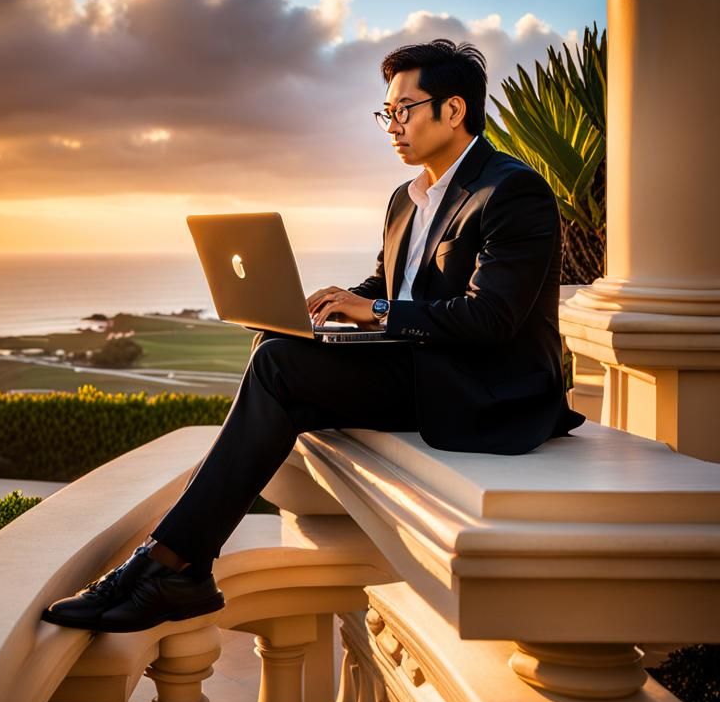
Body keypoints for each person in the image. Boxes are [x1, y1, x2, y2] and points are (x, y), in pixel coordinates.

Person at [42, 38, 586, 634]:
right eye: (387, 113)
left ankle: (172, 562)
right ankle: (178, 565)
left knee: (280, 368)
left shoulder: (512, 191)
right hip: (417, 365)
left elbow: (491, 320)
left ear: (453, 111)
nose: (392, 126)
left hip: (481, 387)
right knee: (278, 347)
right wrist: (332, 305)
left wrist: (374, 308)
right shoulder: (406, 200)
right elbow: (389, 282)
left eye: (404, 110)